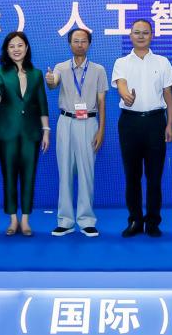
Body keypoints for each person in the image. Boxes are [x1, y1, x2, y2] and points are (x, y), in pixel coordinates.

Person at [111, 19, 172, 238]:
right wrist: (125, 95)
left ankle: (153, 222)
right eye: (136, 32)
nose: (140, 36)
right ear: (130, 36)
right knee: (132, 175)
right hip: (130, 123)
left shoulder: (162, 62)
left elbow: (168, 95)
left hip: (156, 122)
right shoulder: (121, 62)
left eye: (145, 32)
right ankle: (135, 221)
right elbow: (121, 84)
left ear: (151, 36)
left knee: (154, 177)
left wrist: (169, 124)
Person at [46, 28, 107, 237]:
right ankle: (65, 221)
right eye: (75, 41)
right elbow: (53, 83)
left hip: (89, 123)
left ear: (89, 44)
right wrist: (50, 80)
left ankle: (86, 220)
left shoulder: (98, 70)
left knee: (86, 173)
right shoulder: (61, 67)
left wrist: (101, 129)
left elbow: (101, 101)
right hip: (66, 121)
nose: (79, 44)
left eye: (83, 41)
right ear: (69, 44)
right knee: (64, 171)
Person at [0, 31, 50, 237]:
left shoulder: (36, 74)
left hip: (31, 133)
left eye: (20, 45)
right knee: (8, 175)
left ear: (27, 48)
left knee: (29, 175)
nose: (16, 49)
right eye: (12, 46)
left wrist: (46, 131)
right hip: (7, 133)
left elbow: (42, 104)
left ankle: (25, 219)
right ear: (7, 50)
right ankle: (12, 219)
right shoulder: (0, 72)